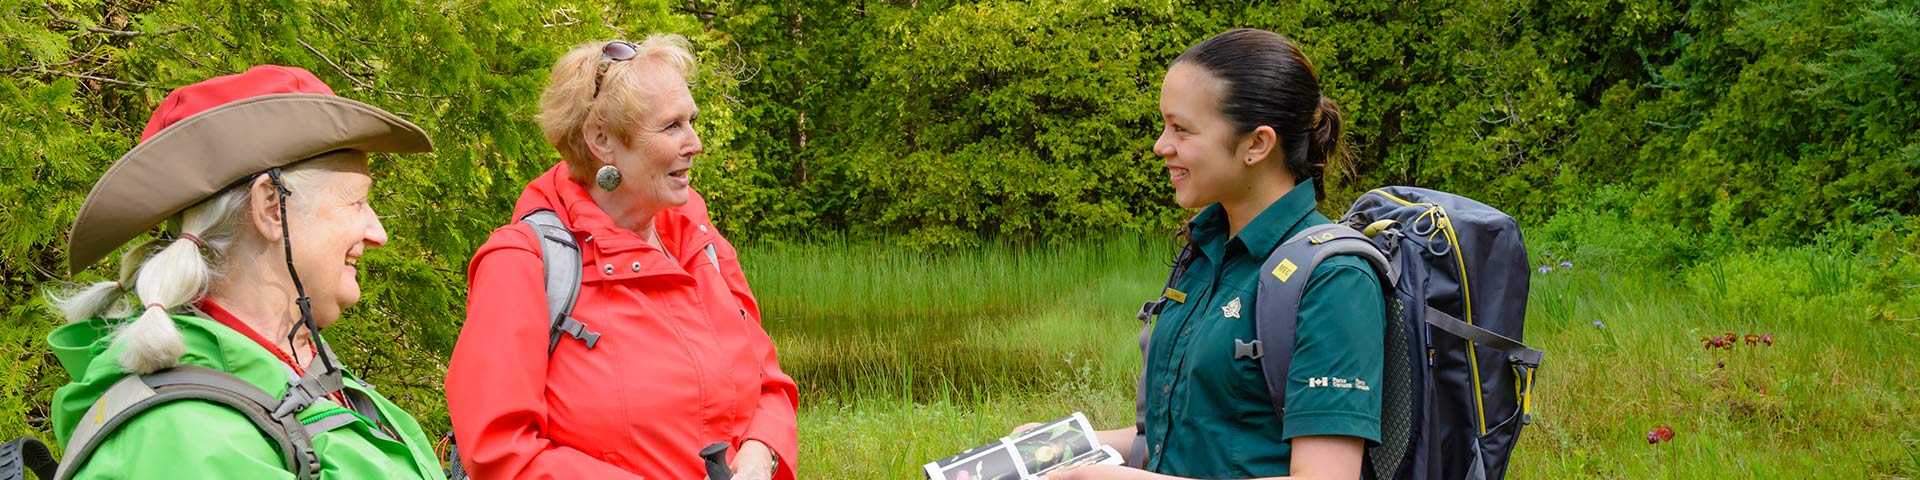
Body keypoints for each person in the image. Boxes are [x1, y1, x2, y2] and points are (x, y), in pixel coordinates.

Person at [45, 65, 444, 479]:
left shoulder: (301, 382)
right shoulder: (184, 440)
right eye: (356, 203)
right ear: (272, 207)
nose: (377, 232)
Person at [1036, 29, 1385, 480]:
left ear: (1257, 144)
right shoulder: (1203, 252)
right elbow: (1185, 438)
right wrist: (1066, 449)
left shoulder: (1334, 278)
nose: (1161, 145)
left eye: (1181, 129)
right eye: (1165, 126)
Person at [446, 34, 797, 480]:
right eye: (672, 126)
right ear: (602, 141)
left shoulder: (701, 243)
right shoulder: (522, 263)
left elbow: (770, 384)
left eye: (693, 121)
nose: (696, 143)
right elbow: (498, 451)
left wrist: (759, 455)